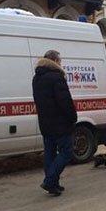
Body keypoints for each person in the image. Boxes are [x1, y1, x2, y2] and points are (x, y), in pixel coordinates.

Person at [32, 50, 77, 196]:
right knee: (66, 152)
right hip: (60, 123)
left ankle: (53, 184)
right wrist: (72, 117)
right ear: (54, 61)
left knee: (50, 153)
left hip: (45, 122)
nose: (60, 63)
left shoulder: (37, 78)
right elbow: (65, 101)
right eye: (60, 61)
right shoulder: (57, 77)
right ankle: (50, 180)